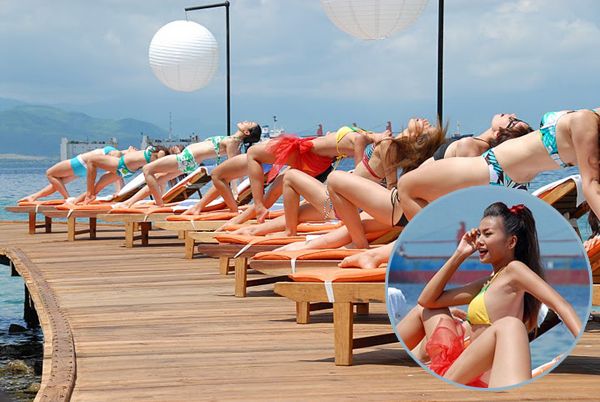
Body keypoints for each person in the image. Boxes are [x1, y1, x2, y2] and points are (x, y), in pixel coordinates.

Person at [395, 202, 581, 388]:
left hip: (475, 371)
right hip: (462, 362)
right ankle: (397, 356)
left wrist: (578, 343)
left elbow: (561, 305)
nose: (479, 241)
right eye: (479, 234)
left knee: (509, 325)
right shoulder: (490, 280)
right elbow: (427, 300)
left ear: (511, 242)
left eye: (488, 234)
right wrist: (460, 254)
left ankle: (407, 358)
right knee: (424, 310)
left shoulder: (515, 270)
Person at [326, 114, 533, 248]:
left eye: (513, 121)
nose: (511, 115)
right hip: (410, 205)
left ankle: (361, 248)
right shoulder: (479, 149)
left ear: (500, 133)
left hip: (402, 204)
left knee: (335, 180)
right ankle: (341, 247)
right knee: (339, 234)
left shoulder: (470, 147)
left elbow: (459, 194)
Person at [397, 108, 600, 221]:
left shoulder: (584, 120)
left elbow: (591, 187)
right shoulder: (587, 127)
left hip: (491, 167)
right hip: (517, 186)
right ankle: (446, 250)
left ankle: (441, 252)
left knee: (406, 186)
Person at [245, 125, 391, 222]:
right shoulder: (363, 136)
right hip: (317, 162)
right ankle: (241, 219)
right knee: (273, 194)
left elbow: (359, 179)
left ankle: (258, 207)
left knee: (252, 153)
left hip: (307, 153)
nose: (388, 135)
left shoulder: (361, 138)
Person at [142, 121, 262, 207]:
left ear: (246, 132)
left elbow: (233, 169)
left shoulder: (233, 142)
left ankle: (159, 205)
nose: (246, 121)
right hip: (189, 159)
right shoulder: (234, 142)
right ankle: (133, 201)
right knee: (160, 178)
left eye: (249, 123)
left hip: (186, 158)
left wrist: (236, 192)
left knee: (147, 169)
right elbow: (237, 169)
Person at [19, 145, 134, 202]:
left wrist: (119, 190)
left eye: (136, 150)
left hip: (79, 163)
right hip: (83, 168)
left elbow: (113, 172)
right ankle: (33, 197)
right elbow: (116, 173)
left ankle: (67, 199)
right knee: (58, 183)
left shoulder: (116, 153)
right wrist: (120, 190)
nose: (136, 150)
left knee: (50, 173)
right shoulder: (119, 156)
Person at [83, 145, 171, 203]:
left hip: (121, 164)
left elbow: (160, 170)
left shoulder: (162, 153)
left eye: (176, 148)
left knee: (91, 161)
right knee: (96, 189)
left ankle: (89, 194)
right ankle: (80, 201)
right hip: (126, 171)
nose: (174, 147)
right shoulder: (158, 154)